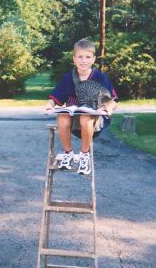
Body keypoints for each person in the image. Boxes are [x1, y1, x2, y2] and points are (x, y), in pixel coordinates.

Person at [44, 39, 118, 175]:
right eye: (80, 57)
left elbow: (113, 101)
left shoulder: (100, 77)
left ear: (93, 59)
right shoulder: (68, 78)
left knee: (85, 117)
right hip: (74, 121)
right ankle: (68, 154)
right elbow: (55, 98)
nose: (84, 61)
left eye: (88, 57)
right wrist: (50, 104)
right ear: (74, 59)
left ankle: (84, 156)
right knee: (62, 117)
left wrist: (109, 108)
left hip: (94, 122)